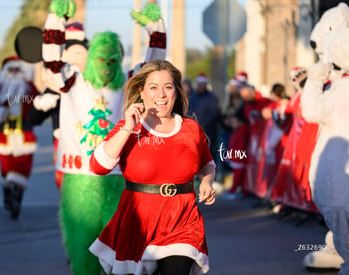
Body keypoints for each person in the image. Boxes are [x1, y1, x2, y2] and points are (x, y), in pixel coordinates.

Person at [41, 1, 167, 274]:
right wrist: (56, 18)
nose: (108, 67)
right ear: (91, 59)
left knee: (120, 246)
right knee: (83, 245)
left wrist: (155, 27)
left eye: (112, 61)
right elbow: (51, 62)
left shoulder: (129, 81)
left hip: (118, 177)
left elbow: (156, 64)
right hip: (80, 176)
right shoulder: (72, 81)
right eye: (102, 60)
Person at [89, 60, 216, 275]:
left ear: (177, 92)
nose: (162, 94)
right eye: (153, 87)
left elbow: (207, 164)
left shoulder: (191, 129)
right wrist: (128, 128)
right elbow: (98, 167)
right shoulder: (128, 128)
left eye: (168, 87)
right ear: (142, 92)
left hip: (182, 221)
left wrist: (207, 181)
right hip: (137, 222)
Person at [29, 22, 89, 189]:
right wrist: (40, 106)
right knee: (66, 184)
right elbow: (33, 119)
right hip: (64, 144)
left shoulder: (94, 87)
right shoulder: (56, 87)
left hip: (91, 141)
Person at [0, 56, 40, 219]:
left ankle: (17, 200)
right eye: (11, 70)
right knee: (7, 169)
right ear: (5, 72)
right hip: (4, 137)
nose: (14, 73)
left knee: (23, 168)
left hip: (24, 135)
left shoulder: (29, 88)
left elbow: (39, 105)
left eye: (17, 70)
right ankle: (8, 193)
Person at [189, 73, 220, 163]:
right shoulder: (193, 97)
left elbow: (213, 115)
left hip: (208, 133)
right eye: (198, 84)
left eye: (201, 84)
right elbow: (190, 112)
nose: (200, 86)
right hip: (195, 132)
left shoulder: (212, 98)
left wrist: (202, 126)